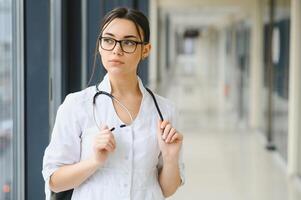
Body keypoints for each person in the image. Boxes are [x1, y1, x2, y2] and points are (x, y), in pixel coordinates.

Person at [42, 7, 185, 200]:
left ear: (145, 50)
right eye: (108, 40)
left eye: (128, 42)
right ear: (100, 46)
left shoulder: (164, 110)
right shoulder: (76, 105)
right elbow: (54, 181)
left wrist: (170, 158)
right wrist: (94, 161)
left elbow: (166, 189)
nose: (116, 50)